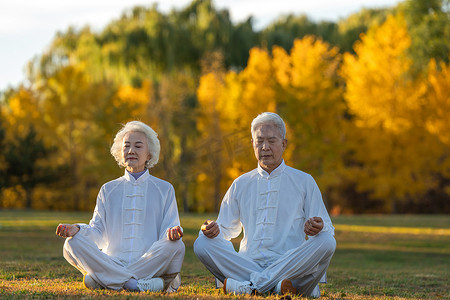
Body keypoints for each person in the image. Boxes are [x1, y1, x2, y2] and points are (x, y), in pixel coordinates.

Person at [193, 112, 336, 297]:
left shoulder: (304, 181)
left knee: (327, 241)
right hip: (248, 264)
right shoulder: (240, 183)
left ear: (284, 144)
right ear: (252, 144)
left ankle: (252, 287)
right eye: (259, 141)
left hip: (290, 266)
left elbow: (327, 230)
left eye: (271, 141)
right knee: (202, 244)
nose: (265, 147)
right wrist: (211, 229)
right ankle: (274, 287)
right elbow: (225, 229)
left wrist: (319, 228)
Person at [55, 121, 185, 293]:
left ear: (149, 154)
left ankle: (105, 279)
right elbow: (98, 232)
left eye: (138, 146)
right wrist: (77, 230)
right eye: (126, 146)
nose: (131, 151)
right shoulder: (108, 190)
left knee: (176, 245)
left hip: (149, 262)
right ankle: (136, 284)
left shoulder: (164, 189)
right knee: (71, 244)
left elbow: (168, 230)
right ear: (120, 151)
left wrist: (173, 233)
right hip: (113, 261)